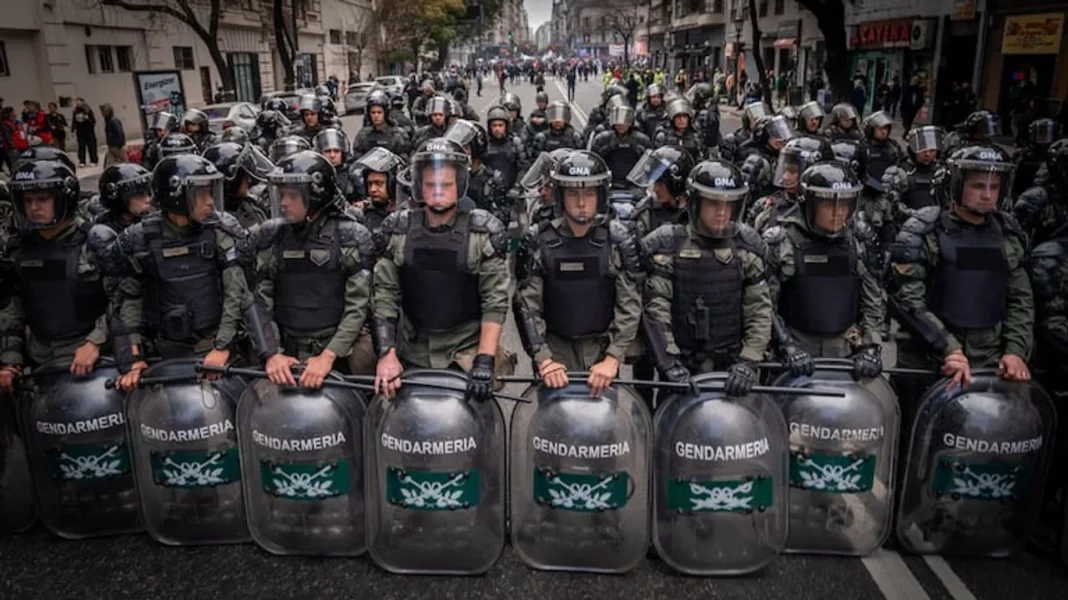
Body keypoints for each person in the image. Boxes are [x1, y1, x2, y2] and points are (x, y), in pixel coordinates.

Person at [887, 145, 1031, 414]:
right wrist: (949, 349)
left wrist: (1015, 351)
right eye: (978, 186)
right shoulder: (925, 232)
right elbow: (907, 299)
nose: (988, 194)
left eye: (994, 186)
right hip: (929, 360)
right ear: (956, 184)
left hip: (987, 361)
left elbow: (1020, 299)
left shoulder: (1008, 234)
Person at [371, 137, 515, 400]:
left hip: (464, 352)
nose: (438, 191)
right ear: (418, 186)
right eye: (430, 184)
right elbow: (385, 295)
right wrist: (387, 353)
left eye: (446, 184)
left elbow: (495, 302)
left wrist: (484, 360)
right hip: (411, 350)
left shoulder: (482, 233)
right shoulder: (397, 231)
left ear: (459, 184)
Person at [101, 154, 255, 390]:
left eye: (210, 192)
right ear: (177, 197)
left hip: (212, 349)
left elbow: (236, 294)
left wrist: (221, 347)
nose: (210, 202)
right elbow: (130, 298)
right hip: (163, 353)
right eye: (201, 194)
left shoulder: (218, 231)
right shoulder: (141, 238)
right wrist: (133, 356)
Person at [513, 151, 643, 396]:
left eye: (589, 193)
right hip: (555, 354)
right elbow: (527, 306)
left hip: (601, 354)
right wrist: (544, 360)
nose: (582, 202)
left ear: (601, 195)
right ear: (561, 196)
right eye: (573, 193)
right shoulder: (538, 239)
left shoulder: (617, 239)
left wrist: (612, 358)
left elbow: (629, 305)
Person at [641, 159, 773, 397]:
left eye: (728, 204)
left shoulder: (746, 248)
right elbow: (657, 308)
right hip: (681, 370)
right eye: (713, 203)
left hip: (731, 370)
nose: (722, 212)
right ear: (695, 202)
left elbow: (759, 310)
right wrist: (669, 362)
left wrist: (748, 361)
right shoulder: (670, 243)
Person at [255, 151, 377, 387]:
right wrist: (272, 353)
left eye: (291, 195)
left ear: (315, 195)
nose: (283, 202)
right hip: (287, 351)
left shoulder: (349, 236)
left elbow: (358, 306)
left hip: (340, 349)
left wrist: (328, 356)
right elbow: (260, 300)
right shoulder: (272, 236)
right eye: (281, 194)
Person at [763, 161, 884, 377]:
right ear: (809, 203)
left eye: (844, 205)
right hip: (794, 353)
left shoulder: (858, 242)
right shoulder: (783, 242)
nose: (838, 213)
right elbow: (764, 305)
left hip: (846, 351)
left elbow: (872, 299)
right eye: (829, 205)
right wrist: (786, 346)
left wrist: (871, 346)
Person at [0, 160, 110, 393]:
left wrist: (95, 341)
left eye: (42, 199)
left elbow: (123, 298)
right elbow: (13, 308)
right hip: (41, 362)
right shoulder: (18, 249)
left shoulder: (93, 242)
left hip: (95, 359)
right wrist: (11, 359)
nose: (34, 207)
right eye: (28, 200)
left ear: (63, 198)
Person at [201, 142, 273, 230]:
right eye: (244, 178)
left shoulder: (252, 208)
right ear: (230, 182)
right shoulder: (207, 220)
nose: (249, 181)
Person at [484, 105, 526, 192]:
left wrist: (517, 186)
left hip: (511, 192)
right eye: (494, 125)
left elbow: (523, 167)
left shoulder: (515, 142)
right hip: (489, 192)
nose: (497, 129)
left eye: (500, 125)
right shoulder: (484, 144)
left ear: (506, 126)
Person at [653, 97, 706, 163]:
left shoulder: (695, 137)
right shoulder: (663, 136)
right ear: (672, 119)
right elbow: (655, 160)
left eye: (684, 117)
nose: (682, 120)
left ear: (688, 119)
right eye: (678, 117)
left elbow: (700, 161)